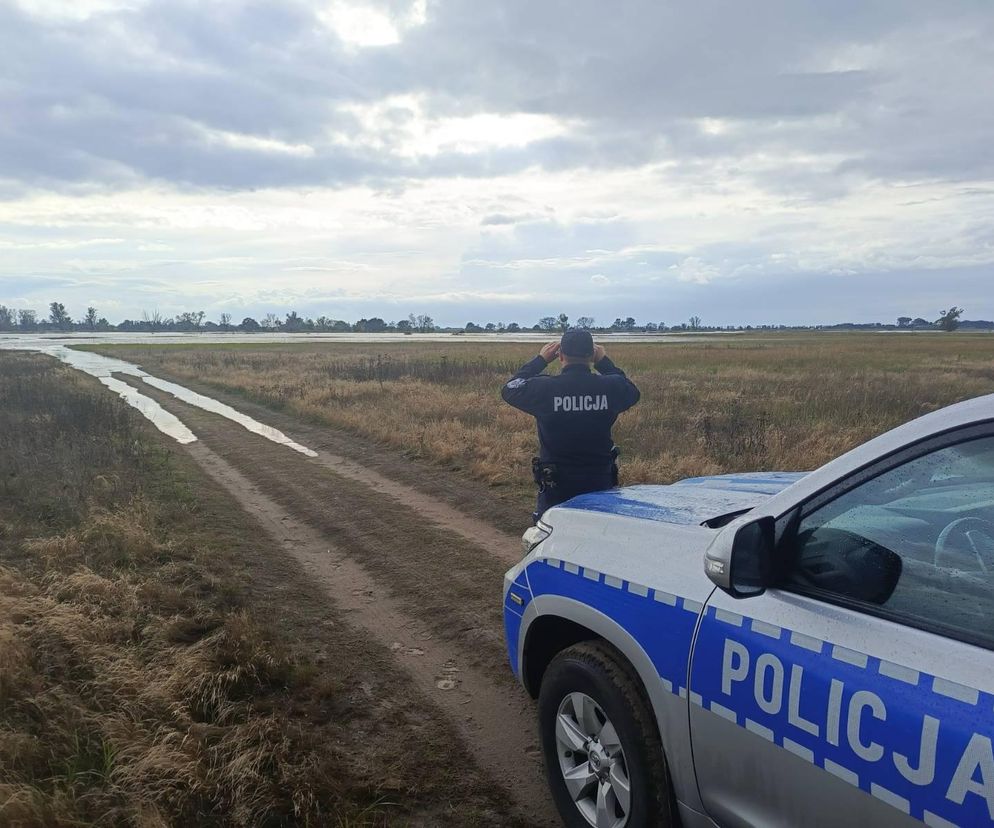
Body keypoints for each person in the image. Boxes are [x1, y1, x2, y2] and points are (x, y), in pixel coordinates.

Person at [501, 329, 640, 521]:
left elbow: (510, 388)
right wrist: (604, 362)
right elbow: (630, 389)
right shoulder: (610, 387)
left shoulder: (545, 388)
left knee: (551, 539)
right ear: (591, 355)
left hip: (557, 486)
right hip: (599, 481)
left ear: (560, 356)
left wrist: (540, 360)